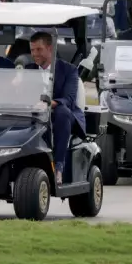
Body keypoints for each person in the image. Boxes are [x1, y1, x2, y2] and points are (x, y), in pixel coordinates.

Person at [25, 31, 85, 185]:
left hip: (63, 113)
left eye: (39, 50)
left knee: (61, 112)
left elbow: (69, 99)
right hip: (35, 112)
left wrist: (48, 103)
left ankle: (58, 167)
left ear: (50, 49)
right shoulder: (28, 69)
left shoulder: (69, 70)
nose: (35, 54)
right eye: (32, 50)